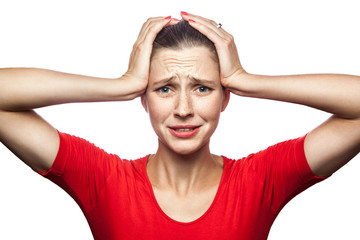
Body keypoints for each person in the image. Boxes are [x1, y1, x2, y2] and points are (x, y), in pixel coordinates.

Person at [0, 11, 359, 240]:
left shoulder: (261, 179)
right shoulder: (103, 180)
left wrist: (245, 78)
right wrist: (120, 84)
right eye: (165, 88)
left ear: (225, 97)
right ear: (144, 97)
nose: (183, 109)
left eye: (202, 88)